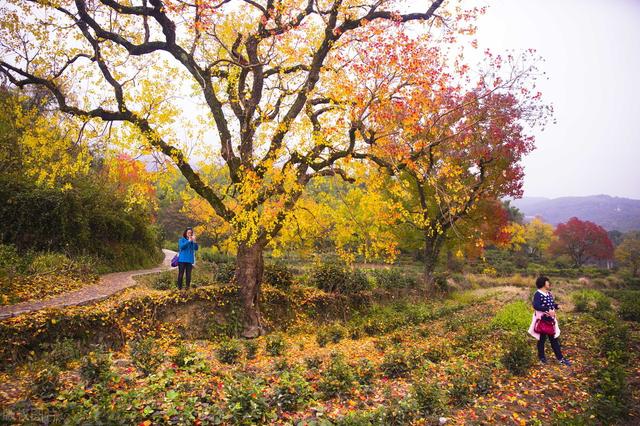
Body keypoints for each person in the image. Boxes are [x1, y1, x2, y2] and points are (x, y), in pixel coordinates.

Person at [528, 276, 571, 366]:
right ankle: (542, 358)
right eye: (547, 282)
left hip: (550, 321)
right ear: (543, 283)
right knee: (542, 340)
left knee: (554, 339)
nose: (549, 284)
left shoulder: (548, 293)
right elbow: (536, 306)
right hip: (542, 321)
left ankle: (560, 359)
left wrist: (557, 306)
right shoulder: (538, 294)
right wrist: (547, 310)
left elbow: (551, 304)